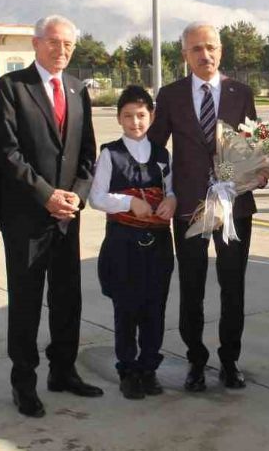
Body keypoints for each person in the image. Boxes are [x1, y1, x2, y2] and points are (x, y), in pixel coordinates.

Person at [0, 14, 101, 419]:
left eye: (69, 45)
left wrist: (78, 196)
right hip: (27, 217)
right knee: (25, 302)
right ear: (36, 44)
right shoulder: (12, 88)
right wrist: (45, 195)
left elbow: (88, 153)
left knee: (67, 298)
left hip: (67, 217)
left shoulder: (76, 90)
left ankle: (63, 370)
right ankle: (24, 384)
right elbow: (7, 152)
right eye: (54, 42)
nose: (62, 51)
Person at [149, 21, 260, 392]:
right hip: (189, 209)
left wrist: (256, 173)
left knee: (233, 287)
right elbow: (154, 149)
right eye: (196, 49)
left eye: (210, 47)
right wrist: (164, 190)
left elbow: (253, 145)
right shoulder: (171, 95)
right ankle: (196, 361)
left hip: (234, 208)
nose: (205, 54)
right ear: (184, 55)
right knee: (192, 287)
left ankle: (230, 361)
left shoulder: (240, 92)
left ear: (221, 50)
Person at [89, 85, 176, 400]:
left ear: (151, 117)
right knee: (126, 307)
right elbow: (96, 198)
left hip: (158, 243)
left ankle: (148, 368)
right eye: (128, 116)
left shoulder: (162, 154)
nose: (135, 122)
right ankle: (127, 370)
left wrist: (172, 201)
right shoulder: (110, 153)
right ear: (118, 118)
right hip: (123, 242)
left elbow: (171, 189)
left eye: (141, 115)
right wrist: (129, 203)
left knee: (155, 307)